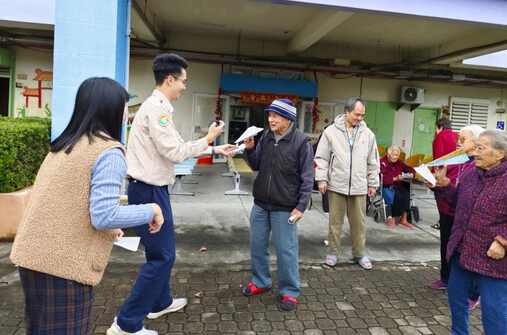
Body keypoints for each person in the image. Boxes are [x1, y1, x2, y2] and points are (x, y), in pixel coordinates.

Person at [10, 77, 164, 335]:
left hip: (33, 256)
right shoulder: (109, 151)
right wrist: (152, 209)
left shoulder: (65, 144)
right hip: (62, 264)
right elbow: (103, 215)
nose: (127, 115)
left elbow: (63, 201)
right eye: (125, 107)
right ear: (110, 109)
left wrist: (108, 229)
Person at [108, 54, 235, 335]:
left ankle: (160, 302)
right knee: (163, 257)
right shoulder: (158, 110)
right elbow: (175, 153)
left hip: (151, 188)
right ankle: (126, 323)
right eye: (183, 81)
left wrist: (214, 150)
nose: (184, 87)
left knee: (158, 252)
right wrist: (209, 139)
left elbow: (175, 146)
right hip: (150, 190)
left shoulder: (159, 108)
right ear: (169, 79)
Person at [433, 130, 507, 335]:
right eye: (475, 147)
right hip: (464, 251)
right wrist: (444, 185)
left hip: (494, 260)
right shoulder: (473, 174)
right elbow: (457, 201)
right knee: (456, 299)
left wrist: (504, 241)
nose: (474, 152)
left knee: (494, 312)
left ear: (500, 153)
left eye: (481, 148)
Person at [242, 99, 314, 311]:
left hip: (286, 206)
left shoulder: (302, 143)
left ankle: (290, 291)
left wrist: (301, 206)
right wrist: (250, 148)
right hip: (261, 203)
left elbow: (308, 177)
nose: (270, 119)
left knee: (286, 251)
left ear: (288, 118)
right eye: (270, 115)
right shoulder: (265, 136)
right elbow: (256, 165)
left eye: (275, 115)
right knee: (257, 246)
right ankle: (261, 282)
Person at [315, 97, 380, 269]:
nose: (360, 118)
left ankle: (359, 253)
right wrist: (322, 179)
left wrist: (373, 183)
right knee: (335, 222)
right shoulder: (330, 132)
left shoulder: (368, 135)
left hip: (359, 186)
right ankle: (332, 252)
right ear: (347, 111)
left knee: (359, 223)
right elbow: (322, 158)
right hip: (336, 184)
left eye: (362, 115)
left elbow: (373, 161)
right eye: (357, 114)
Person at [428, 124, 484, 309]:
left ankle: (473, 294)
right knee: (448, 248)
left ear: (476, 142)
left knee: (469, 254)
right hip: (450, 211)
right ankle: (447, 279)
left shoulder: (480, 164)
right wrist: (438, 183)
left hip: (470, 218)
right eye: (458, 139)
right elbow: (451, 185)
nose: (458, 142)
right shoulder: (459, 159)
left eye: (462, 139)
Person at [430, 117, 459, 231]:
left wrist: (434, 174)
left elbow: (438, 157)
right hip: (456, 172)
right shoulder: (457, 136)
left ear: (440, 127)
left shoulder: (440, 137)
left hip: (444, 172)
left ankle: (442, 221)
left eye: (436, 129)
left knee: (441, 198)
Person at [380, 146, 415, 229]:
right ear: (388, 155)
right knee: (397, 195)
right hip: (387, 185)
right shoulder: (382, 163)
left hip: (398, 184)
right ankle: (391, 218)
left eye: (397, 155)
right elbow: (382, 179)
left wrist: (411, 173)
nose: (395, 157)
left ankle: (403, 220)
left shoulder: (399, 162)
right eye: (394, 155)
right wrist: (395, 178)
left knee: (406, 194)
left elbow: (409, 168)